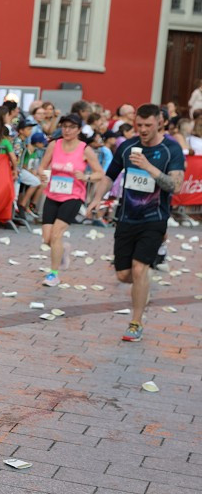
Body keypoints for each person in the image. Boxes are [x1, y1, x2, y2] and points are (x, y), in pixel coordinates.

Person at [86, 104, 185, 342]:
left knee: (140, 269)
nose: (142, 130)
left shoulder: (171, 149)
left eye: (148, 125)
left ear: (159, 123)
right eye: (139, 125)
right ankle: (143, 287)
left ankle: (135, 322)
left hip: (155, 219)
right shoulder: (127, 146)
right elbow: (110, 175)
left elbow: (176, 186)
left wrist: (148, 167)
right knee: (124, 275)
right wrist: (96, 199)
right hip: (127, 218)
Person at [37, 113, 104, 287]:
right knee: (47, 238)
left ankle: (53, 275)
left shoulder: (84, 149)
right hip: (53, 194)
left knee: (57, 234)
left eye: (71, 127)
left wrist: (85, 176)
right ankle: (63, 249)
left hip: (73, 196)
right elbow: (42, 166)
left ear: (79, 129)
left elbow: (100, 174)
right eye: (64, 126)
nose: (67, 130)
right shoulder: (54, 144)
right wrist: (42, 175)